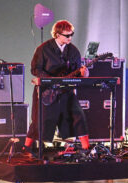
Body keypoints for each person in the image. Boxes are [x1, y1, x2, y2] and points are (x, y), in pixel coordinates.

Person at [21, 20, 90, 155]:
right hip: (47, 90)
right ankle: (26, 147)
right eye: (67, 35)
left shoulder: (73, 51)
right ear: (57, 35)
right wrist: (51, 81)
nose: (70, 38)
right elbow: (35, 69)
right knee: (39, 119)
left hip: (66, 91)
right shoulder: (43, 49)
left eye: (72, 35)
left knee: (78, 115)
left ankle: (86, 148)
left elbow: (77, 73)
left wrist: (84, 74)